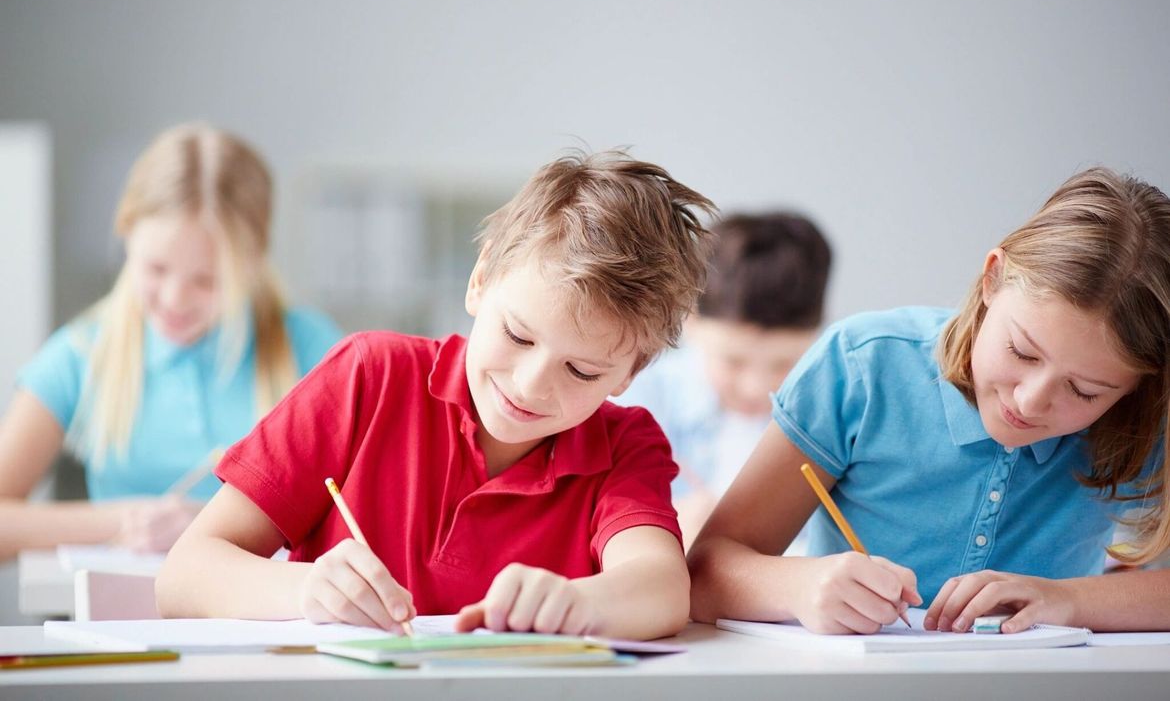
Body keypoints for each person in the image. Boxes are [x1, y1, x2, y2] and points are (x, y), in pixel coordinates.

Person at [157, 149, 716, 641]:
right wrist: (306, 589)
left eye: (582, 370)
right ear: (479, 281)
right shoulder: (368, 376)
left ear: (629, 374)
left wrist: (581, 603)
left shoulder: (625, 444)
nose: (528, 385)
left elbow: (662, 588)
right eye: (517, 335)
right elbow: (184, 575)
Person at [689, 168, 1170, 635]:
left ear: (1135, 387)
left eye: (1084, 391)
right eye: (1021, 351)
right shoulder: (863, 368)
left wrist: (1070, 599)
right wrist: (798, 586)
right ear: (992, 280)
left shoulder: (1142, 416)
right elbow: (706, 573)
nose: (1029, 401)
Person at [0, 123, 343, 560]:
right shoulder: (82, 354)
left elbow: (361, 517)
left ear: (252, 264)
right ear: (126, 234)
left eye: (206, 280)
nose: (175, 300)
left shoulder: (316, 354)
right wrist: (127, 521)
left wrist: (210, 527)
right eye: (157, 269)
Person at [617, 212, 830, 548]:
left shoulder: (833, 414)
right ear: (688, 319)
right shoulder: (631, 401)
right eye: (733, 361)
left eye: (784, 362)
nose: (755, 387)